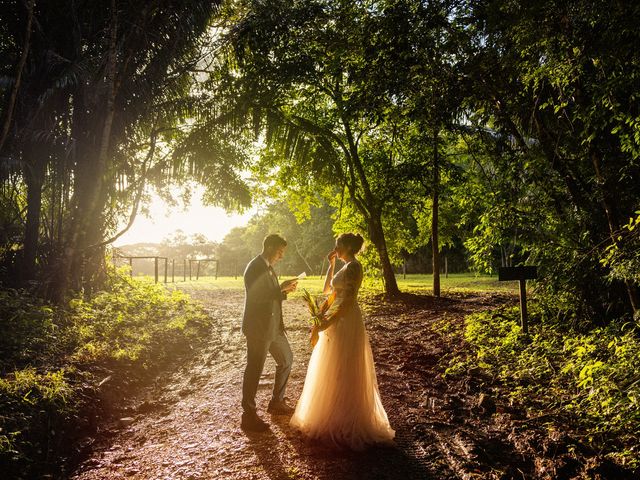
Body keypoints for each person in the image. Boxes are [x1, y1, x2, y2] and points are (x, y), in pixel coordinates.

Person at [290, 233, 395, 450]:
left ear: (346, 246)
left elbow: (347, 301)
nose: (335, 247)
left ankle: (347, 420)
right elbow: (329, 291)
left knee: (344, 368)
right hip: (334, 317)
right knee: (331, 367)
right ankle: (330, 414)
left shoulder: (355, 267)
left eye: (337, 244)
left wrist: (326, 323)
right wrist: (331, 265)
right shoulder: (344, 266)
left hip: (345, 321)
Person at [241, 234, 298, 432]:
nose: (282, 256)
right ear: (271, 247)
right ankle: (248, 415)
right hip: (258, 328)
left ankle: (277, 402)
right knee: (255, 369)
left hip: (273, 327)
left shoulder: (269, 267)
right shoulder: (254, 266)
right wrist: (280, 292)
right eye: (280, 251)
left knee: (287, 359)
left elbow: (270, 292)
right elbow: (256, 296)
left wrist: (282, 288)